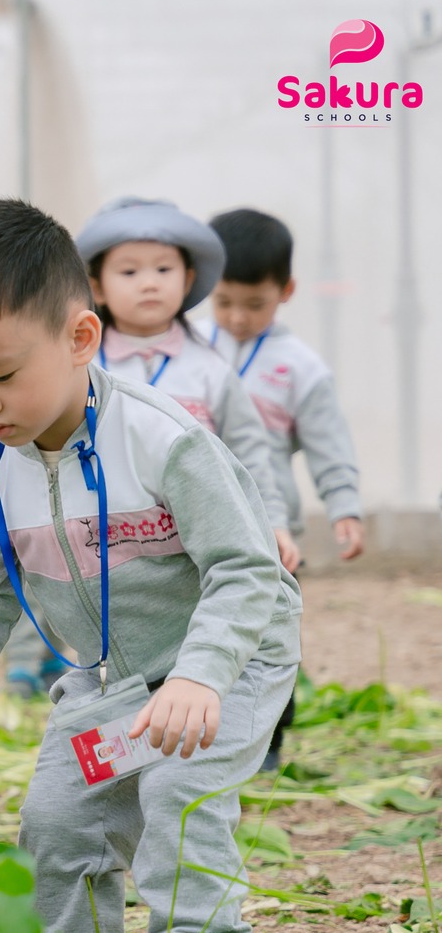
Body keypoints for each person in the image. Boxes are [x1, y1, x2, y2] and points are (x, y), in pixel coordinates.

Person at [0, 199, 302, 933]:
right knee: (57, 818)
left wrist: (200, 675)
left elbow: (247, 568)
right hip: (113, 680)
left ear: (82, 338)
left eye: (0, 374)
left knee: (178, 792)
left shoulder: (161, 439)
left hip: (231, 657)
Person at [205, 207, 365, 773]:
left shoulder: (300, 368)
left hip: (271, 528)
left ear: (286, 292)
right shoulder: (187, 349)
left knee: (268, 630)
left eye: (254, 304)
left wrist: (344, 504)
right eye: (224, 301)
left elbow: (329, 442)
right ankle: (203, 733)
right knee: (199, 627)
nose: (237, 317)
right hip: (196, 521)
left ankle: (269, 741)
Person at [73, 197, 301, 576]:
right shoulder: (79, 365)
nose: (149, 282)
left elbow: (248, 454)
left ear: (188, 279)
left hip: (197, 547)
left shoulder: (211, 370)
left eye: (164, 269)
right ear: (96, 287)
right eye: (129, 271)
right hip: (100, 545)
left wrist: (272, 522)